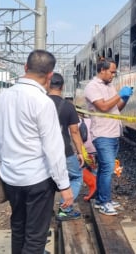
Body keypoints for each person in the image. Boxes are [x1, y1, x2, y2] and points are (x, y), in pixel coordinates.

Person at [0, 50, 73, 253]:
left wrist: (2, 168)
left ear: (25, 68)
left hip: (11, 178)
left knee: (18, 228)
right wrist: (64, 185)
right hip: (38, 180)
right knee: (36, 238)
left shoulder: (3, 97)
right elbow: (53, 148)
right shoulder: (43, 102)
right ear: (49, 75)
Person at [84, 57, 132, 216]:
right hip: (102, 134)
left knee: (105, 168)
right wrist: (119, 94)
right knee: (107, 169)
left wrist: (124, 99)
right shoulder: (92, 87)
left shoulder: (109, 85)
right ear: (102, 70)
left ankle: (100, 200)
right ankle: (105, 202)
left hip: (113, 133)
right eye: (111, 72)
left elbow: (116, 108)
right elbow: (103, 107)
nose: (113, 75)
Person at [47, 72, 85, 221]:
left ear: (48, 84)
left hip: (42, 151)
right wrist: (80, 152)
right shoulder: (68, 107)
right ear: (62, 87)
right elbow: (74, 132)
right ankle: (65, 209)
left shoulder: (39, 102)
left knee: (46, 182)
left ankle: (44, 211)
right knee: (76, 177)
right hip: (64, 150)